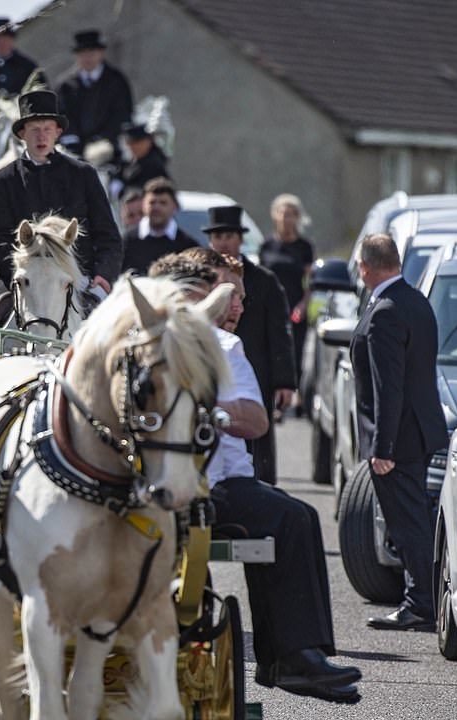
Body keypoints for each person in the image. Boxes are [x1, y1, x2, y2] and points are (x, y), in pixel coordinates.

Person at [150, 251, 362, 704]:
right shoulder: (219, 344)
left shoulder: (143, 338)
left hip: (164, 488)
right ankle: (291, 658)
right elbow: (257, 420)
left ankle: (294, 657)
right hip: (205, 489)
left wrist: (208, 410)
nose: (235, 305)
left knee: (296, 515)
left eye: (239, 296)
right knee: (293, 519)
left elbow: (254, 419)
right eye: (225, 293)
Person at [351, 233, 448, 631]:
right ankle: (424, 598)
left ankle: (421, 603)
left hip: (399, 439)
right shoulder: (416, 300)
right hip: (418, 432)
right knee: (414, 520)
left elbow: (388, 387)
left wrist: (383, 447)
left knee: (407, 524)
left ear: (364, 268)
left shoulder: (385, 311)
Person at [0, 89, 122, 295]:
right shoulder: (1, 181)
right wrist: (19, 270)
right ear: (22, 134)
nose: (41, 136)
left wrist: (103, 273)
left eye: (47, 129)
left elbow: (108, 235)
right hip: (21, 275)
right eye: (34, 129)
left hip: (79, 277)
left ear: (58, 132)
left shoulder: (84, 175)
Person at [204, 205, 295, 486]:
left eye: (229, 236)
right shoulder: (202, 280)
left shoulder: (264, 280)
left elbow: (280, 331)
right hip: (215, 366)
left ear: (240, 239)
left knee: (258, 437)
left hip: (257, 368)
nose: (223, 242)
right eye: (218, 236)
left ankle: (260, 485)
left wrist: (284, 381)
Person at [259, 194, 315, 409]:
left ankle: (296, 395)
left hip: (294, 306)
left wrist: (304, 304)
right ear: (275, 216)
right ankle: (275, 399)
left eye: (291, 215)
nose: (286, 219)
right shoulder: (267, 246)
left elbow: (309, 281)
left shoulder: (304, 247)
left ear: (297, 218)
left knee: (295, 350)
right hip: (271, 306)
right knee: (271, 349)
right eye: (283, 214)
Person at [57, 29, 133, 162]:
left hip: (109, 148)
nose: (87, 58)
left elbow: (123, 114)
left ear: (101, 53)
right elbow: (61, 115)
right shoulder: (66, 85)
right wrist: (71, 138)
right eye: (82, 54)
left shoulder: (116, 81)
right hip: (75, 147)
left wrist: (104, 138)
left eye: (91, 53)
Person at [121, 177, 196, 276]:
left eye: (163, 203)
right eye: (152, 202)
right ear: (143, 205)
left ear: (175, 207)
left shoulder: (187, 245)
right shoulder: (127, 241)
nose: (156, 208)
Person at [0, 17, 43, 97]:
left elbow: (41, 91)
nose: (0, 42)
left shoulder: (27, 65)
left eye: (4, 38)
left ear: (11, 39)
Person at [117, 122, 170, 194]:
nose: (132, 146)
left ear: (148, 141)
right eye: (130, 143)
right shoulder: (131, 162)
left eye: (136, 142)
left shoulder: (153, 164)